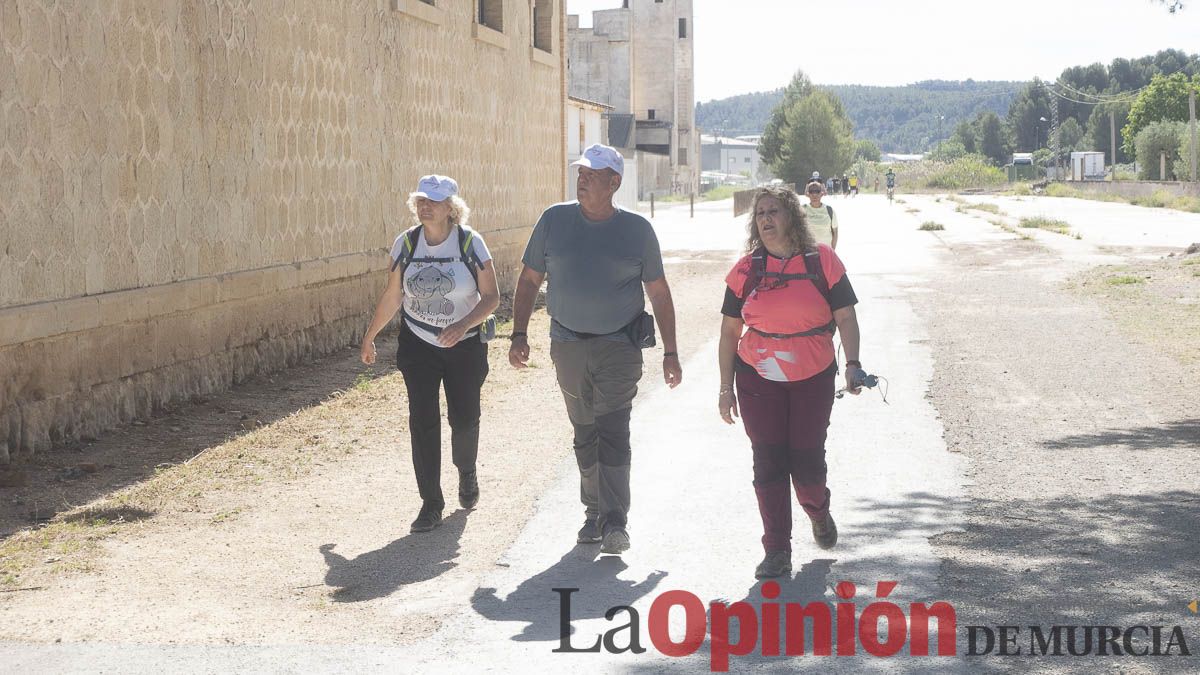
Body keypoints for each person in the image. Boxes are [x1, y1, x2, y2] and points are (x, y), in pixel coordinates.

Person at [509, 143, 682, 555]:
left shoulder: (637, 231)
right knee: (584, 431)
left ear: (614, 182)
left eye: (593, 173)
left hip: (619, 345)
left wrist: (671, 352)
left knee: (613, 430)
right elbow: (530, 279)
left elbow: (658, 292)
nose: (582, 178)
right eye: (581, 171)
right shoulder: (554, 220)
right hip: (566, 343)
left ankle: (615, 522)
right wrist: (518, 334)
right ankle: (593, 512)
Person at [716, 185, 864, 579]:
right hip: (757, 377)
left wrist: (852, 363)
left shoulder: (823, 261)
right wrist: (724, 388)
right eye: (760, 213)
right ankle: (777, 549)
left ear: (791, 218)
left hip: (812, 376)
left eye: (773, 212)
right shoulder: (746, 270)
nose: (765, 219)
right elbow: (730, 331)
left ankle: (818, 509)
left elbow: (846, 317)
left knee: (807, 462)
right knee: (768, 462)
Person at [361, 175, 501, 533]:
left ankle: (466, 471)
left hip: (465, 345)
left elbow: (491, 297)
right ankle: (431, 503)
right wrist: (370, 335)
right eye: (421, 199)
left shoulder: (471, 243)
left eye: (434, 201)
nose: (426, 206)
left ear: (451, 208)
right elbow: (394, 294)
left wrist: (463, 324)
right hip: (418, 343)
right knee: (422, 421)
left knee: (465, 418)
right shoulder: (406, 244)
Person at [802, 180, 838, 250]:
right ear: (808, 194)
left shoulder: (829, 210)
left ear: (822, 193)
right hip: (808, 252)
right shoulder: (802, 209)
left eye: (817, 191)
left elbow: (835, 233)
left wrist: (832, 252)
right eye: (811, 191)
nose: (814, 194)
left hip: (826, 252)